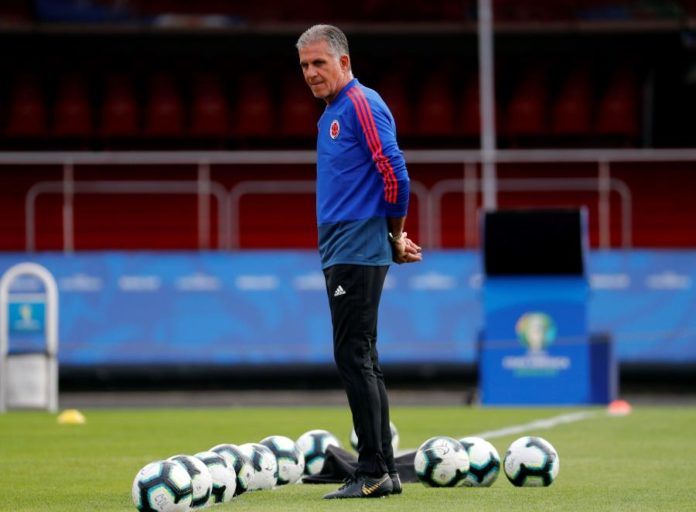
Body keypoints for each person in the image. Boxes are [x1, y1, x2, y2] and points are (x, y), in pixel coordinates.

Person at [296, 24, 422, 499]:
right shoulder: (331, 113)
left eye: (319, 63)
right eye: (304, 66)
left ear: (343, 62)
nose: (311, 73)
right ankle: (383, 470)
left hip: (356, 247)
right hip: (343, 247)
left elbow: (395, 173)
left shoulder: (361, 103)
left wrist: (394, 235)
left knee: (353, 355)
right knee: (362, 355)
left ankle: (371, 471)